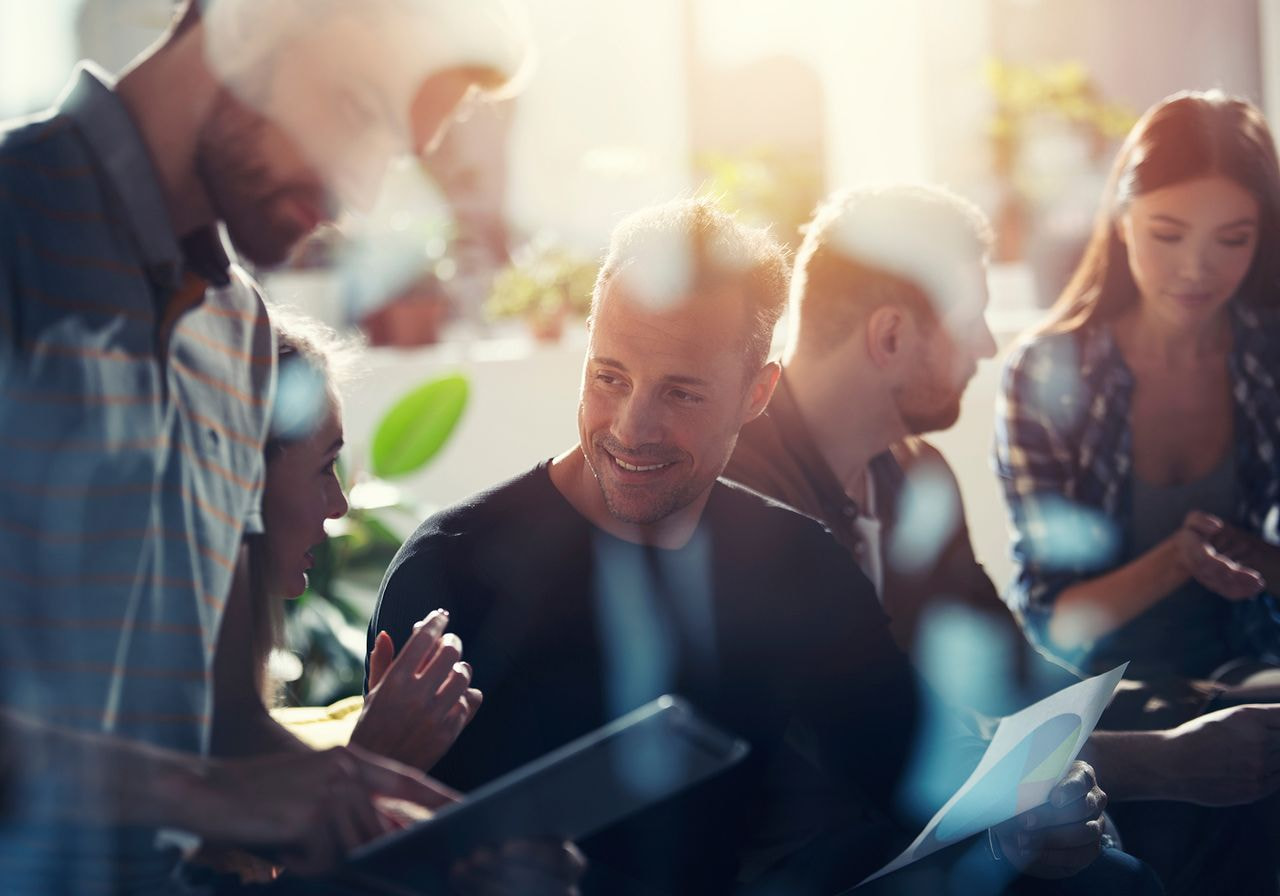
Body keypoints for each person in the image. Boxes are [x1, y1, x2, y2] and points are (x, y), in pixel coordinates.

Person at [368, 197, 1148, 895]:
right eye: (610, 377)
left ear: (758, 393)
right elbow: (373, 855)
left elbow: (911, 778)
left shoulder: (797, 561)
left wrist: (1024, 821)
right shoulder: (453, 568)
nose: (632, 427)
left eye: (681, 391)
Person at [0, 0, 531, 891]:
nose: (358, 196)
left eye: (392, 156)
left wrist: (394, 824)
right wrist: (208, 795)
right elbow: (209, 784)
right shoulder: (14, 232)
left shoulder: (237, 332)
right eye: (359, 111)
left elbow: (224, 731)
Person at [724, 182, 1280, 894]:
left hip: (950, 805)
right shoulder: (748, 504)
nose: (988, 346)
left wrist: (1192, 710)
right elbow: (878, 753)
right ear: (890, 336)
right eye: (973, 319)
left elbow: (1016, 672)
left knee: (1236, 776)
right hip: (837, 849)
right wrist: (1161, 759)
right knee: (1116, 880)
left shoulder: (918, 475)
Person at [994, 90, 1280, 684]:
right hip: (1104, 701)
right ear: (1123, 222)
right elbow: (1054, 620)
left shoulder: (1272, 359)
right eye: (1168, 234)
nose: (1196, 269)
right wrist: (1179, 561)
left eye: (1232, 240)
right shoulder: (1046, 373)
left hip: (1260, 679)